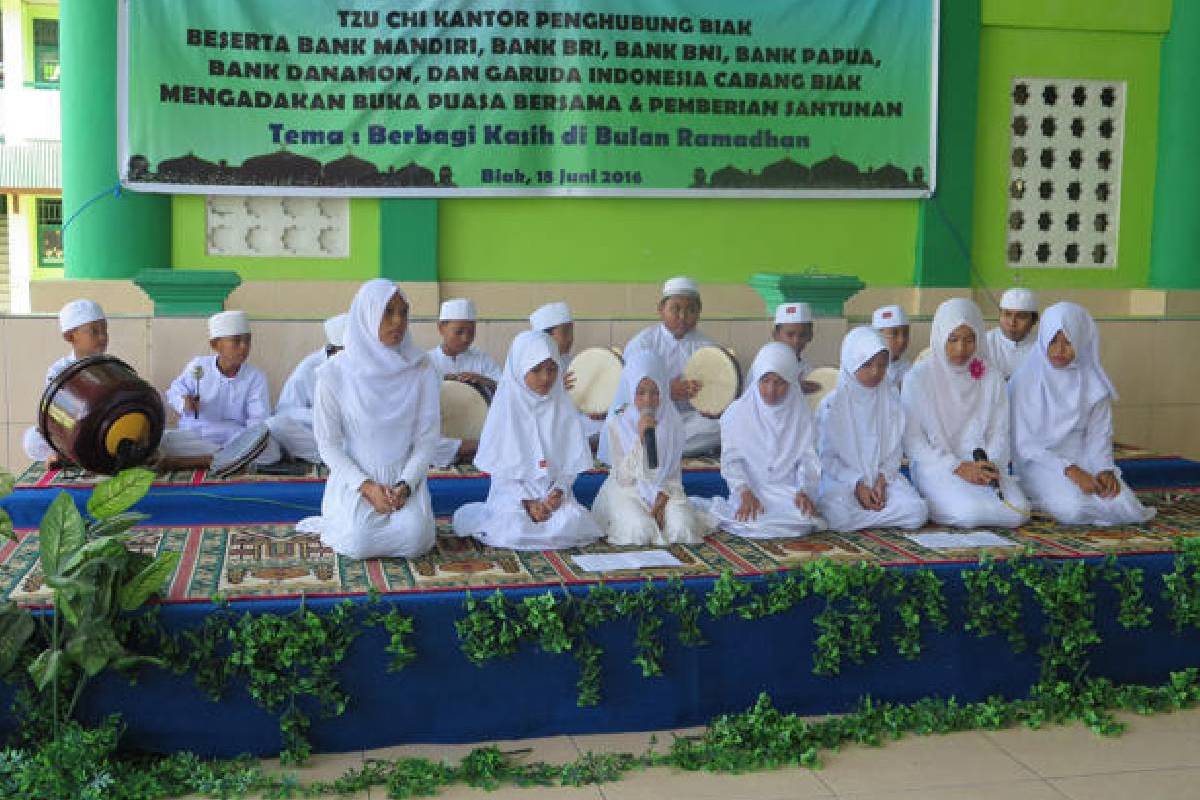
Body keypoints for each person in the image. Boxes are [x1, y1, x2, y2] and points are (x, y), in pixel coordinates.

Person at [301, 280, 439, 559]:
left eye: (403, 312)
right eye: (388, 312)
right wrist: (366, 487)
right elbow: (328, 444)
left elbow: (427, 440)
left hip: (404, 477)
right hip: (356, 477)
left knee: (416, 539)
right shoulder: (333, 374)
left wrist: (405, 485)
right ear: (367, 315)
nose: (398, 321)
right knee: (358, 542)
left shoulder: (421, 368)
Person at [452, 331, 602, 550]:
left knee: (571, 521)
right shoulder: (505, 409)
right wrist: (527, 501)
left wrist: (558, 492)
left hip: (551, 493)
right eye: (536, 370)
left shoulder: (562, 406)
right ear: (520, 369)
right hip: (513, 495)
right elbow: (501, 473)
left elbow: (571, 464)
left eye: (552, 370)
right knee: (512, 528)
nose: (545, 378)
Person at [1010, 302, 1154, 526]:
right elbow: (1024, 445)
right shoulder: (1025, 381)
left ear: (1081, 341)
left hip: (1083, 457)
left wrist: (1104, 469)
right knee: (1074, 509)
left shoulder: (1094, 384)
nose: (1059, 350)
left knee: (1127, 507)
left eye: (1068, 342)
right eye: (1053, 340)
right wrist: (1070, 470)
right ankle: (1037, 498)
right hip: (1040, 462)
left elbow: (1099, 435)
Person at [902, 298, 1029, 528]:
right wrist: (958, 467)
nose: (961, 349)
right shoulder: (918, 378)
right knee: (969, 513)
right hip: (938, 465)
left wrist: (989, 465)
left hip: (983, 466)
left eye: (969, 340)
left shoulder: (991, 376)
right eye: (953, 340)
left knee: (1017, 513)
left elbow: (999, 431)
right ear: (940, 336)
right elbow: (913, 442)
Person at [592, 351, 712, 545]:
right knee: (639, 532)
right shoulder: (618, 421)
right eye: (641, 393)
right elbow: (623, 477)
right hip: (627, 489)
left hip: (666, 489)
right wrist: (641, 439)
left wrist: (662, 498)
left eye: (655, 392)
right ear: (630, 390)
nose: (648, 400)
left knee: (683, 529)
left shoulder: (671, 419)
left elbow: (673, 471)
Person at [817, 327, 928, 531]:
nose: (876, 372)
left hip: (883, 480)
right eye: (867, 365)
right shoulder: (831, 406)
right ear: (851, 363)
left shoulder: (891, 399)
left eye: (882, 365)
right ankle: (878, 516)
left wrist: (882, 480)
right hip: (844, 481)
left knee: (917, 512)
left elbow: (895, 452)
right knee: (837, 516)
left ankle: (866, 517)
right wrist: (857, 485)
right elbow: (827, 459)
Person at [709, 342, 823, 538]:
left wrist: (804, 491)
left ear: (791, 382)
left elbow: (808, 459)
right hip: (752, 490)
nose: (771, 390)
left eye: (779, 382)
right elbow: (731, 461)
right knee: (752, 518)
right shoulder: (736, 414)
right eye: (765, 381)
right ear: (756, 379)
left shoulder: (802, 415)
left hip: (787, 492)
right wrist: (743, 491)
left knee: (802, 519)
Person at [165, 310, 281, 464]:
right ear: (215, 345)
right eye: (237, 341)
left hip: (235, 435)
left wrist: (248, 442)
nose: (244, 347)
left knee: (270, 451)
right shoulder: (199, 366)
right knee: (163, 441)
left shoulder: (255, 377)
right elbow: (174, 391)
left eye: (248, 341)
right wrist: (184, 402)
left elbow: (258, 422)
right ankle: (224, 459)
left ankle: (200, 461)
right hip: (198, 433)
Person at [624, 276, 720, 456]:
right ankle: (662, 446)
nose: (682, 317)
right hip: (650, 416)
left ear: (699, 312)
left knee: (720, 426)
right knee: (627, 424)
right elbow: (628, 391)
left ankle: (657, 448)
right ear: (661, 310)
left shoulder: (708, 348)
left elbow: (717, 393)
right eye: (675, 309)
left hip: (689, 421)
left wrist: (711, 405)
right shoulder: (642, 344)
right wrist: (666, 392)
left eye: (691, 310)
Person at [23, 299, 109, 464]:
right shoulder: (58, 371)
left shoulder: (111, 366)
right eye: (94, 331)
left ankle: (73, 457)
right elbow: (54, 413)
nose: (103, 336)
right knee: (32, 439)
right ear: (70, 336)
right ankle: (66, 455)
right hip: (72, 432)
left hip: (104, 429)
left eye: (105, 330)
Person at [428, 298, 501, 467]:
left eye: (471, 332)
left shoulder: (483, 360)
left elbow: (507, 391)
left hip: (477, 432)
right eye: (459, 332)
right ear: (441, 328)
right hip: (442, 433)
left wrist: (484, 381)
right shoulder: (427, 361)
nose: (466, 338)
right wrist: (443, 382)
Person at [265, 313, 347, 463]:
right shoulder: (310, 366)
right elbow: (285, 410)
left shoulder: (363, 365)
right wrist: (321, 415)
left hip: (356, 437)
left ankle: (341, 459)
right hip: (319, 435)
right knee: (275, 424)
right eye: (346, 350)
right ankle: (338, 459)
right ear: (334, 349)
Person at [530, 300, 605, 447]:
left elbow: (582, 399)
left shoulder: (571, 361)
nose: (571, 338)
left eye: (572, 332)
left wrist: (596, 410)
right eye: (565, 333)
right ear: (547, 336)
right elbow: (532, 404)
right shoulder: (532, 365)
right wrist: (556, 389)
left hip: (574, 419)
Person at [987, 288, 1039, 379]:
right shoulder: (985, 342)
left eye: (1021, 317)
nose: (1012, 322)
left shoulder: (1042, 345)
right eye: (1007, 314)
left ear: (1034, 320)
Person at [772, 302, 821, 394]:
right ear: (775, 335)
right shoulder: (765, 368)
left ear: (810, 336)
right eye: (790, 335)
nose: (796, 341)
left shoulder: (810, 372)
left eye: (802, 335)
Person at [872, 304, 912, 392]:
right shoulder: (866, 368)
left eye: (905, 333)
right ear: (877, 336)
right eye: (894, 334)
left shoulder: (909, 368)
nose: (901, 340)